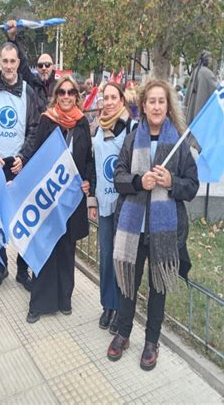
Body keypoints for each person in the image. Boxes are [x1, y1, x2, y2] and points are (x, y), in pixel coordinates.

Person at [107, 79, 199, 371]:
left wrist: (172, 183)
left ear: (167, 105)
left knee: (158, 287)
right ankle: (123, 332)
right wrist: (138, 181)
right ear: (143, 107)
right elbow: (118, 176)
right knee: (128, 286)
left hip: (164, 232)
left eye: (162, 101)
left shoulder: (180, 142)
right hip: (133, 229)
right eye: (151, 101)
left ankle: (151, 341)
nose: (157, 106)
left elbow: (192, 185)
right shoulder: (134, 137)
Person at [27, 75, 94, 323]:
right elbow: (34, 156)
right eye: (62, 92)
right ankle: (39, 303)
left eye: (71, 92)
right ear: (56, 96)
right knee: (45, 249)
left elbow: (88, 159)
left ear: (77, 96)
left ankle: (64, 298)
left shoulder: (82, 123)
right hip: (48, 200)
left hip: (71, 201)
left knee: (66, 250)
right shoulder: (47, 121)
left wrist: (89, 182)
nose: (66, 96)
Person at [0, 42, 38, 291]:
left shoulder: (28, 92)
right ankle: (1, 266)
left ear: (18, 63)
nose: (9, 66)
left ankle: (22, 270)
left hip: (20, 164)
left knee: (24, 217)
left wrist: (24, 156)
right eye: (5, 61)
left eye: (13, 61)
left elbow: (34, 127)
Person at [88, 82, 137, 334]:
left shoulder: (131, 127)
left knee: (123, 257)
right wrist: (92, 201)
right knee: (106, 256)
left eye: (112, 97)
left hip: (125, 204)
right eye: (104, 97)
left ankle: (122, 309)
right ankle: (108, 304)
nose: (108, 102)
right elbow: (93, 165)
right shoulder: (96, 127)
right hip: (104, 203)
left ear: (122, 99)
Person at [6, 21, 56, 113]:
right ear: (37, 68)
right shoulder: (31, 82)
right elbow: (21, 63)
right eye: (40, 65)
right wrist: (12, 39)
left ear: (52, 67)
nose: (44, 68)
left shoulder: (60, 86)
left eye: (47, 65)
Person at [183, 51, 218, 125]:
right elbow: (216, 89)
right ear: (206, 59)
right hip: (201, 109)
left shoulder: (195, 71)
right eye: (210, 58)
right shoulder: (207, 73)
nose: (211, 60)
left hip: (192, 108)